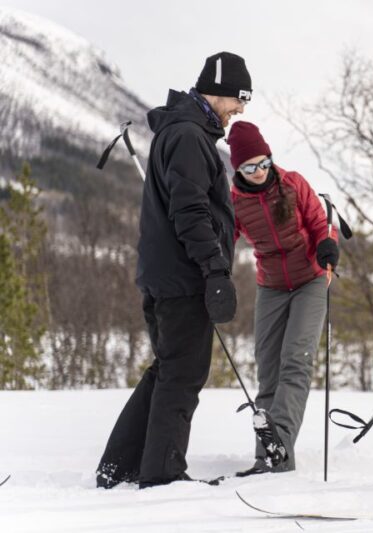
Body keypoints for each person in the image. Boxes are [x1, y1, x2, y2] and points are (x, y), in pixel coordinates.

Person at [96, 52, 251, 489]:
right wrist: (215, 270)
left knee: (167, 370)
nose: (241, 109)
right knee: (182, 375)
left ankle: (120, 464)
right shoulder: (187, 135)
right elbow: (191, 211)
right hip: (183, 278)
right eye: (240, 99)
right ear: (218, 91)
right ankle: (162, 472)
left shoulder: (184, 131)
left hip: (166, 274)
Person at [226, 121, 339, 477]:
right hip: (271, 286)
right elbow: (222, 242)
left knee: (296, 361)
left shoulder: (292, 183)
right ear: (237, 169)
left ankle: (281, 451)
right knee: (268, 369)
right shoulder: (235, 203)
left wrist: (327, 246)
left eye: (263, 163)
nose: (259, 172)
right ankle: (265, 456)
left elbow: (321, 224)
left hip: (311, 280)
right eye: (249, 167)